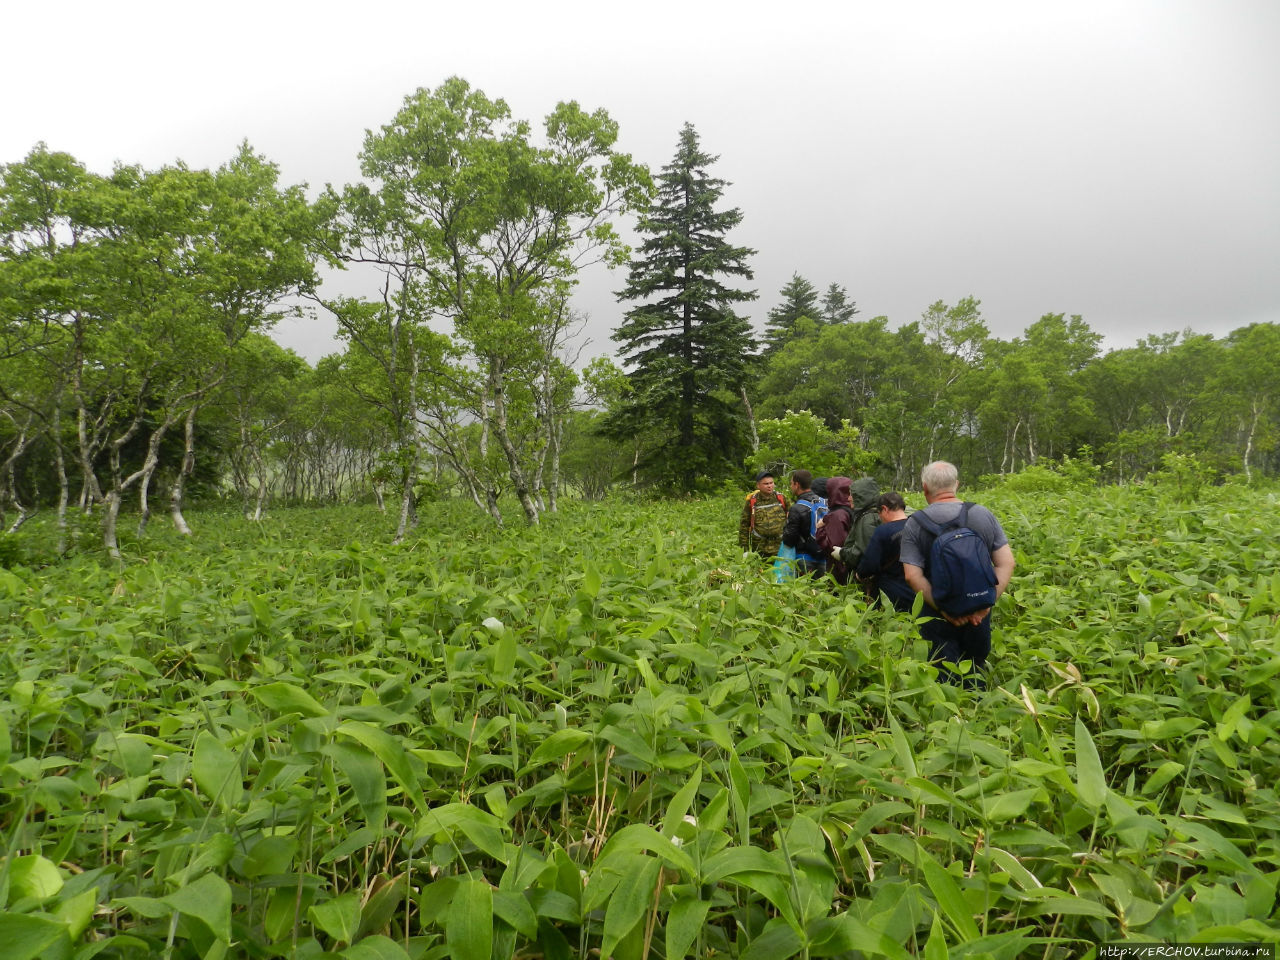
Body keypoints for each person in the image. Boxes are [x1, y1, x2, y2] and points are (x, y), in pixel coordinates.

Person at [900, 461, 1015, 688]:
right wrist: (985, 605)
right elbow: (1007, 563)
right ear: (957, 485)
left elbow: (911, 576)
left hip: (936, 614)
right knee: (975, 669)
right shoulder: (982, 514)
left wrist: (944, 609)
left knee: (943, 678)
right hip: (978, 613)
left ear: (924, 488)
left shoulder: (915, 523)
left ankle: (950, 719)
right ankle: (978, 715)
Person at [856, 492, 914, 612]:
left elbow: (870, 563)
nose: (880, 517)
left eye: (879, 513)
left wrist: (860, 574)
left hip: (891, 592)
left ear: (884, 509)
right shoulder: (917, 526)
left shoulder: (883, 531)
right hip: (917, 590)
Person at [780, 469, 827, 577]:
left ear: (797, 484)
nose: (791, 486)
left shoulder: (797, 508)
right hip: (823, 558)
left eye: (791, 484)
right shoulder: (823, 503)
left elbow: (789, 540)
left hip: (804, 559)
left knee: (805, 592)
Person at [832, 477, 881, 573]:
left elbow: (864, 552)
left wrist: (842, 553)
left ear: (861, 497)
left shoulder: (868, 519)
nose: (849, 498)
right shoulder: (875, 514)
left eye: (852, 495)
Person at [739, 470, 788, 559]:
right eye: (766, 484)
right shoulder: (752, 502)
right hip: (759, 550)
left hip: (780, 548)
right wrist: (744, 549)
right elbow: (744, 525)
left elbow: (792, 519)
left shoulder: (781, 498)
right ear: (758, 485)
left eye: (771, 483)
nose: (769, 486)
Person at [815, 477, 853, 584]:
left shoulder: (837, 515)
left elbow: (833, 547)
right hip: (850, 570)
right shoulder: (851, 510)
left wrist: (820, 529)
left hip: (839, 573)